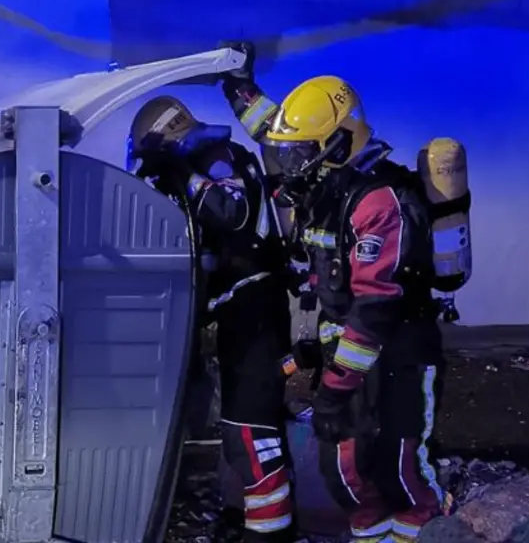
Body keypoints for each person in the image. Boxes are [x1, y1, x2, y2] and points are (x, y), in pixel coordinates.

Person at [221, 59, 447, 543]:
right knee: (347, 475)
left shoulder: (379, 202)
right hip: (349, 358)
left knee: (403, 476)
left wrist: (334, 389)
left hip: (400, 356)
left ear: (340, 144)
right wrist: (239, 90)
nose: (289, 164)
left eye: (302, 153)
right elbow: (273, 133)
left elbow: (374, 309)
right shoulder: (322, 187)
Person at [128, 96, 298, 542]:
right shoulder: (204, 162)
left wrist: (184, 176)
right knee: (238, 429)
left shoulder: (220, 160)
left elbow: (232, 212)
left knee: (252, 429)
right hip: (237, 310)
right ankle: (249, 519)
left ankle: (269, 533)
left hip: (257, 310)